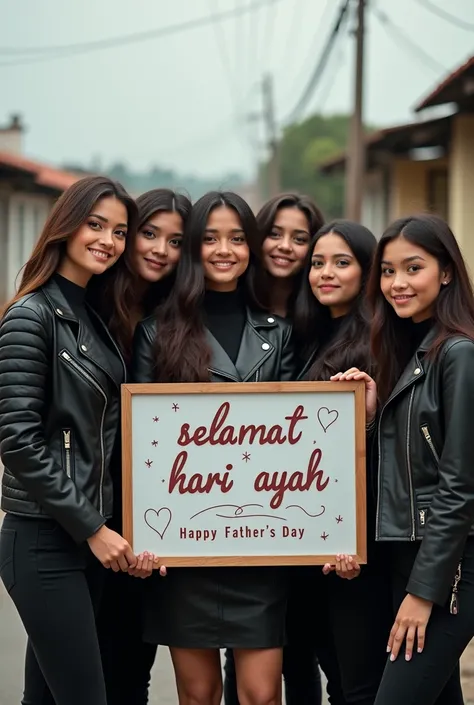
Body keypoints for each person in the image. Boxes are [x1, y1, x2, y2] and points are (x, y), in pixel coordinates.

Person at [132, 190, 295, 705]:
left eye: (237, 238)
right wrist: (140, 528)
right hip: (184, 549)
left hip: (262, 546)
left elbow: (301, 441)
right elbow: (139, 445)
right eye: (210, 238)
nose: (225, 249)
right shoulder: (155, 334)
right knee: (198, 695)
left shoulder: (282, 335)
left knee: (262, 695)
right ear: (194, 250)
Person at [0, 176, 147, 705]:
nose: (108, 240)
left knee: (44, 699)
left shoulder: (96, 316)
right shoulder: (31, 316)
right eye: (96, 224)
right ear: (66, 225)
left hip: (86, 542)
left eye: (120, 231)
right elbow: (16, 439)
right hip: (44, 540)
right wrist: (93, 527)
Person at [331, 214, 474, 705]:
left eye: (413, 268)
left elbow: (460, 485)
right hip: (409, 555)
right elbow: (407, 468)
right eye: (388, 272)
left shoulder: (459, 353)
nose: (397, 284)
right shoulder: (413, 350)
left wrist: (424, 592)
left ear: (447, 272)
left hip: (450, 564)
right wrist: (372, 417)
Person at [223, 193, 334, 705]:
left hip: (307, 510)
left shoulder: (327, 314)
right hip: (237, 507)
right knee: (244, 651)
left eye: (301, 238)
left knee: (304, 647)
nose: (285, 247)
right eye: (275, 233)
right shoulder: (229, 306)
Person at [91, 188, 192, 705]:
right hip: (92, 515)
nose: (160, 250)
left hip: (154, 522)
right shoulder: (90, 306)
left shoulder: (180, 318)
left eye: (176, 240)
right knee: (77, 672)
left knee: (132, 665)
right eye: (149, 234)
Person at [293, 220, 393, 705]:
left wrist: (351, 537)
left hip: (355, 546)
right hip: (314, 541)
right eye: (317, 263)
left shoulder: (376, 340)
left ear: (366, 271)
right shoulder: (310, 334)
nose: (324, 273)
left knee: (357, 683)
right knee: (334, 672)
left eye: (341, 262)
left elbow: (383, 451)